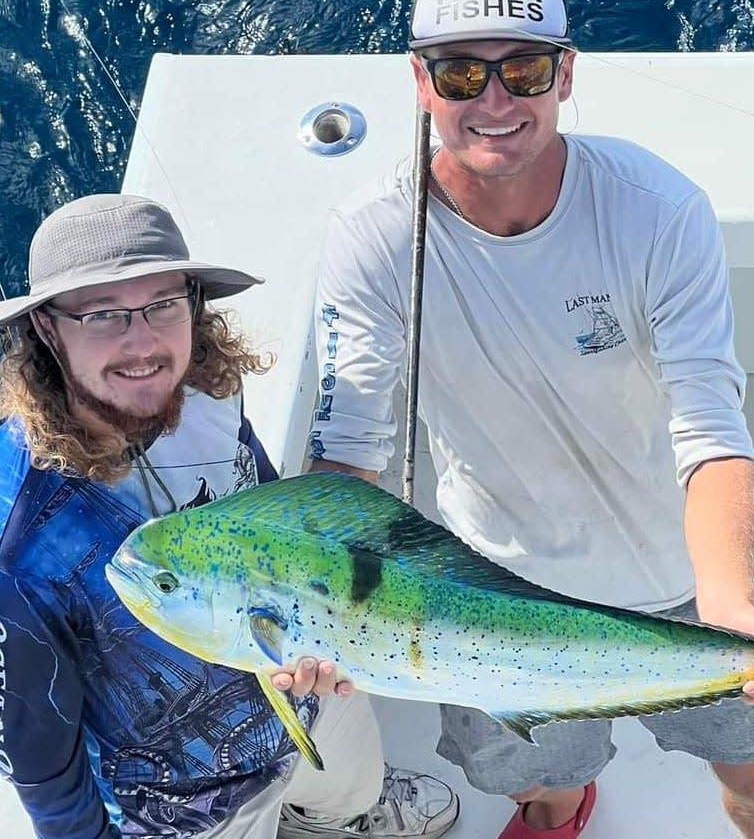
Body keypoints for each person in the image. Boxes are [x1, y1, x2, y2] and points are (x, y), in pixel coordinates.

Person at [307, 0, 754, 839]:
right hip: (486, 591)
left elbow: (710, 428)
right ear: (420, 82)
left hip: (682, 583)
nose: (494, 102)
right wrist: (329, 611)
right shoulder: (371, 237)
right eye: (461, 72)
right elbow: (349, 449)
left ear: (565, 74)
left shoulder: (656, 210)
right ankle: (558, 807)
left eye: (524, 69)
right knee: (532, 777)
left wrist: (728, 599)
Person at [0, 194, 459, 839]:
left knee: (350, 787)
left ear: (192, 304)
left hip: (304, 692)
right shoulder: (19, 537)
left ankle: (337, 818)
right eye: (103, 315)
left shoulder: (202, 385)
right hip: (188, 802)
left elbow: (274, 514)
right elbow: (40, 756)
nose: (142, 343)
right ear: (48, 328)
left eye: (163, 304)